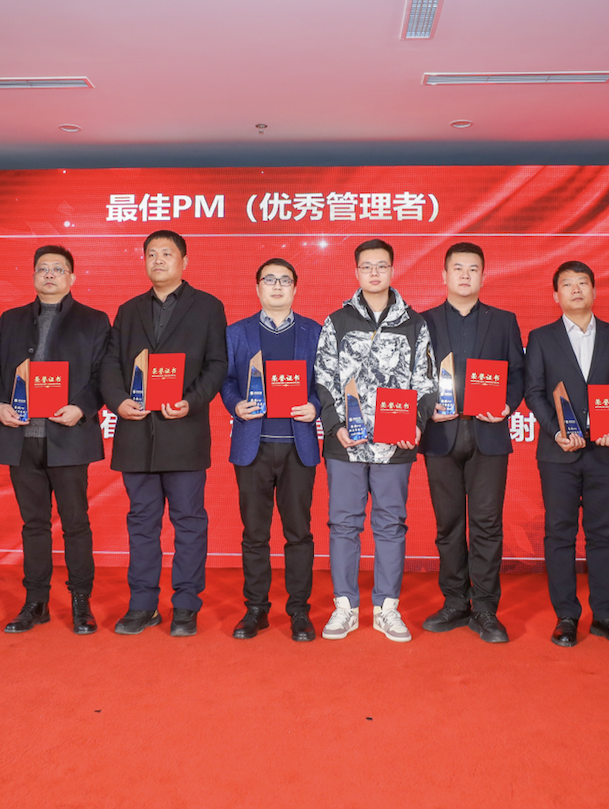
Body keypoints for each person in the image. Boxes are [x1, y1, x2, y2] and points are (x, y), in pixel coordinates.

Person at [101, 230, 228, 637]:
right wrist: (118, 401)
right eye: (151, 254)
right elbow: (110, 364)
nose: (158, 260)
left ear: (184, 261)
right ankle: (143, 605)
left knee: (189, 522)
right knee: (141, 523)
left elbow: (217, 365)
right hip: (136, 433)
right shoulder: (128, 310)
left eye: (167, 254)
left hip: (184, 432)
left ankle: (186, 605)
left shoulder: (208, 307)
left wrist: (191, 401)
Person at [0, 245, 111, 634]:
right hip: (21, 438)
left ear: (72, 277)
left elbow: (104, 373)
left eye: (58, 268)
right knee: (33, 524)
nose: (49, 274)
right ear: (34, 276)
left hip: (68, 437)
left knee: (75, 523)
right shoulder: (11, 319)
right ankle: (35, 602)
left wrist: (82, 407)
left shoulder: (94, 320)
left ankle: (81, 601)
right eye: (42, 269)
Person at [315, 238, 436, 643]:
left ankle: (387, 608)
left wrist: (416, 423)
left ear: (392, 270)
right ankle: (345, 607)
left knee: (390, 525)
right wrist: (335, 425)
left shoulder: (414, 324)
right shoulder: (337, 321)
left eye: (381, 266)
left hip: (394, 446)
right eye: (366, 266)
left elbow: (426, 381)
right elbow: (323, 377)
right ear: (356, 272)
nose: (374, 273)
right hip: (346, 444)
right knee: (343, 524)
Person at [524, 261, 609, 650]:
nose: (576, 290)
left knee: (603, 534)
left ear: (594, 290)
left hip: (606, 452)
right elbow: (534, 392)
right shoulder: (541, 338)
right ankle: (566, 616)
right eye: (567, 284)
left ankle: (606, 616)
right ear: (555, 295)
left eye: (583, 283)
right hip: (558, 453)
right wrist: (556, 432)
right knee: (559, 533)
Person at [418, 242, 524, 643]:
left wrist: (507, 405)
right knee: (448, 524)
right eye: (458, 268)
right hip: (441, 435)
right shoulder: (422, 322)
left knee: (486, 524)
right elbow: (412, 375)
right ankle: (454, 602)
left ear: (483, 275)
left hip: (488, 433)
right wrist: (427, 408)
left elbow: (518, 373)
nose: (465, 275)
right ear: (444, 275)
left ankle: (485, 609)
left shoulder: (504, 322)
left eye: (473, 268)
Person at [220, 258, 323, 641]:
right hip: (253, 446)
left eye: (285, 280)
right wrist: (235, 404)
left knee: (299, 533)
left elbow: (325, 381)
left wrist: (315, 405)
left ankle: (299, 611)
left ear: (295, 288)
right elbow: (226, 380)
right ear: (257, 287)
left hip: (298, 446)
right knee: (254, 533)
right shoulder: (237, 333)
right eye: (269, 279)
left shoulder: (314, 331)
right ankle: (256, 609)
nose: (277, 286)